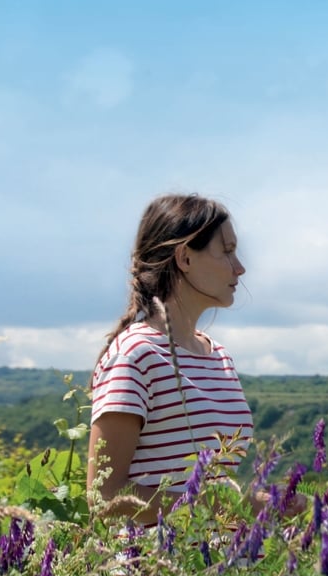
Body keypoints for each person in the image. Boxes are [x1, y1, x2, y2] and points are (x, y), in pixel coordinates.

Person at [88, 193, 262, 526]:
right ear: (184, 258)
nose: (240, 267)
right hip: (154, 574)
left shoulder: (219, 357)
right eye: (226, 251)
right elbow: (105, 496)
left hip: (219, 573)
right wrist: (223, 508)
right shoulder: (136, 355)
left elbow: (209, 484)